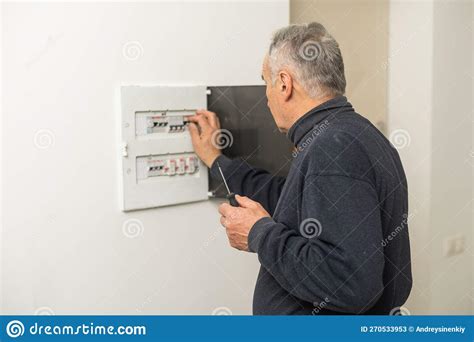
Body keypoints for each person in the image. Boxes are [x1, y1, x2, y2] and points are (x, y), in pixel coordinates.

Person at [188, 22, 412, 315]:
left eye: (265, 82)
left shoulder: (333, 147)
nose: (266, 96)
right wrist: (216, 161)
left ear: (284, 83)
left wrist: (259, 234)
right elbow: (289, 199)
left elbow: (351, 284)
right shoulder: (354, 134)